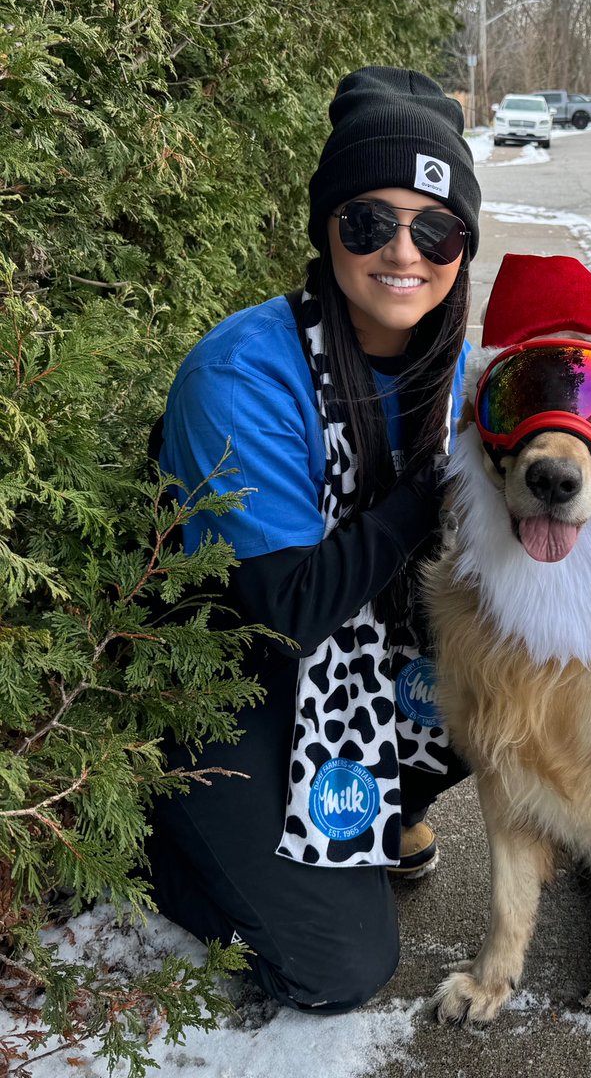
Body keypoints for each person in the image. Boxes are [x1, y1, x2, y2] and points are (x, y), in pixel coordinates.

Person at [146, 67, 480, 1013]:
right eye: (369, 221)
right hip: (232, 676)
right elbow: (285, 608)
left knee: (517, 685)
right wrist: (436, 482)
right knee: (338, 971)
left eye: (436, 227)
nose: (403, 252)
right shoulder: (242, 372)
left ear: (462, 247)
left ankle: (386, 811)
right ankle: (170, 838)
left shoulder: (446, 366)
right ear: (325, 228)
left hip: (355, 656)